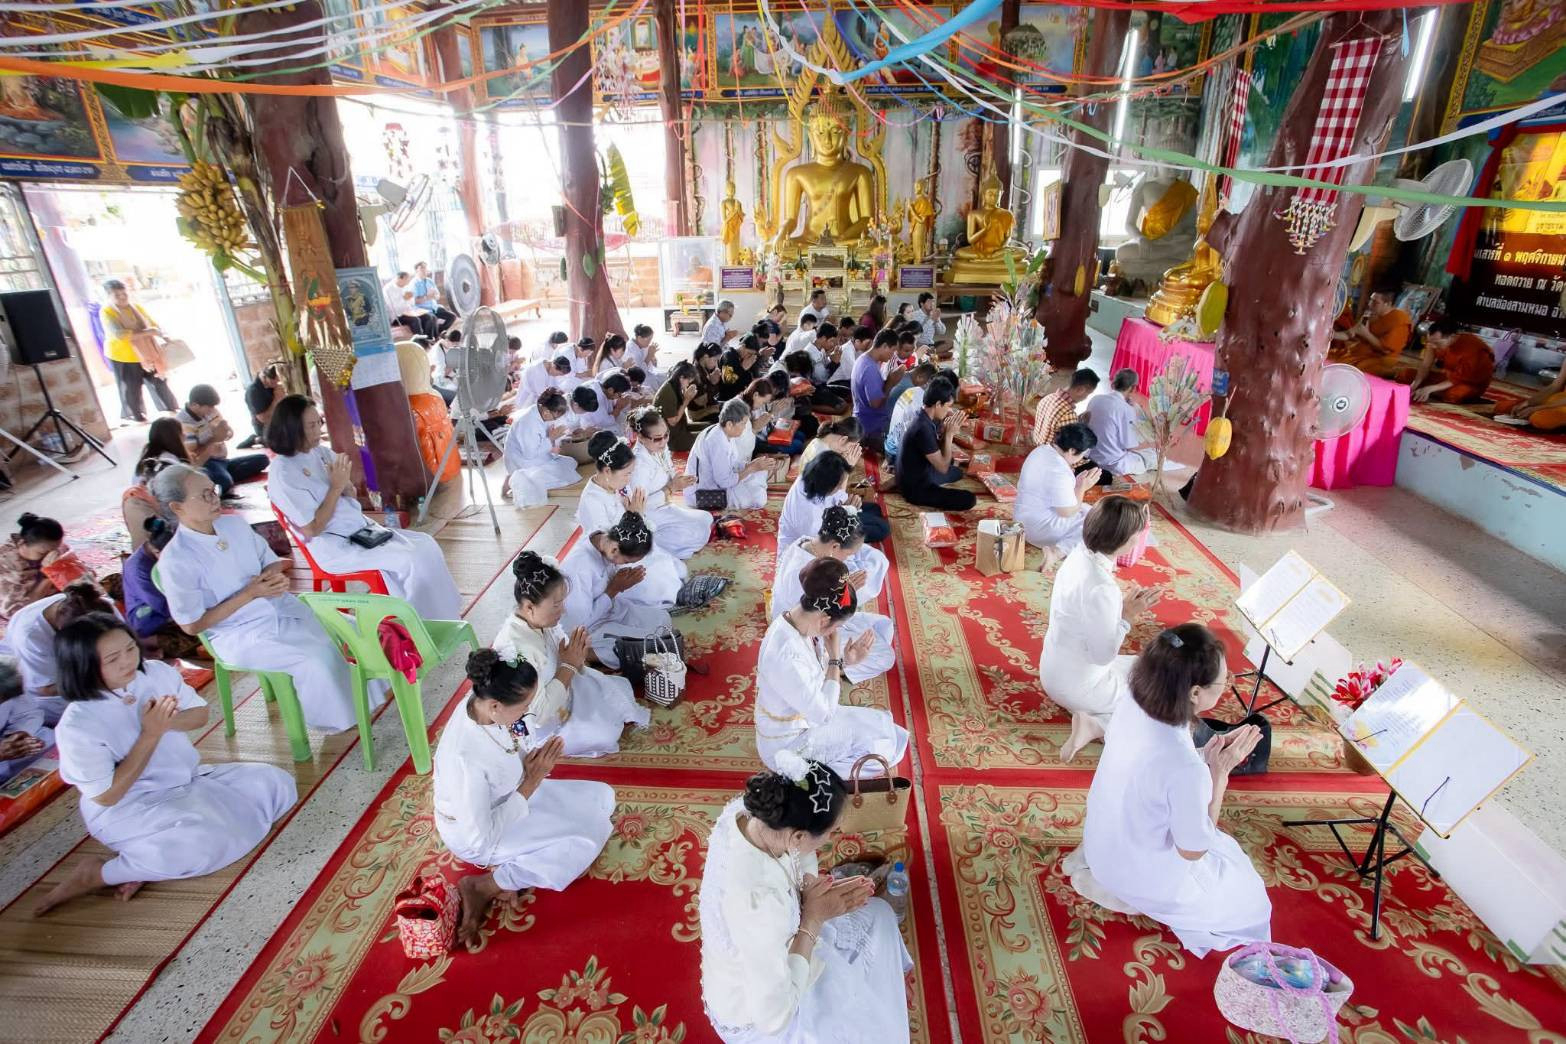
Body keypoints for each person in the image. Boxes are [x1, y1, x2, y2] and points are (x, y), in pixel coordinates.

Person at [34, 612, 296, 916]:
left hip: (187, 781)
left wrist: (167, 722)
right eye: (113, 658)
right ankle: (98, 874)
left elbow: (199, 714)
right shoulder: (78, 724)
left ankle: (146, 863)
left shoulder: (155, 673)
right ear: (84, 667)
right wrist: (150, 734)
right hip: (129, 807)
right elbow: (107, 796)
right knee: (209, 842)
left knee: (276, 783)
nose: (127, 662)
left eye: (130, 649)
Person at [1077, 623, 1271, 957]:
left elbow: (1152, 770)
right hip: (1137, 874)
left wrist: (1204, 761)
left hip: (1100, 847)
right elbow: (1193, 850)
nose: (1225, 689)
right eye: (1223, 683)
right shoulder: (1187, 769)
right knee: (1254, 904)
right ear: (1195, 693)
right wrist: (1218, 773)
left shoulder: (1132, 703)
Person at [699, 759, 911, 1042]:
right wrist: (813, 917)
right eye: (830, 833)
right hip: (760, 1008)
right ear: (798, 836)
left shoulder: (754, 814)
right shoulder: (758, 903)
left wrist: (812, 890)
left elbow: (800, 858)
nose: (831, 839)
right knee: (878, 1031)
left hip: (782, 933)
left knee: (880, 915)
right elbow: (773, 1017)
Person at [152, 464, 358, 732]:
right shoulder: (177, 559)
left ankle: (366, 697)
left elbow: (271, 563)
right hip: (237, 633)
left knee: (348, 630)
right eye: (204, 495)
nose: (215, 498)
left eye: (213, 490)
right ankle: (338, 723)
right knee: (314, 658)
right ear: (177, 507)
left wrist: (273, 579)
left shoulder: (233, 525)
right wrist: (250, 594)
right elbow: (192, 625)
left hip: (275, 605)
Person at [433, 649, 614, 951]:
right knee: (583, 843)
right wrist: (530, 781)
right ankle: (485, 885)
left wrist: (528, 765)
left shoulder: (480, 706)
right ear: (494, 706)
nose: (527, 711)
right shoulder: (465, 760)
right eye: (524, 706)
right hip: (479, 835)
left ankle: (521, 864)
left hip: (511, 794)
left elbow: (514, 736)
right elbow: (481, 837)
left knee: (601, 798)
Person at [265, 396, 461, 621]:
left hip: (360, 530)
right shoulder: (283, 473)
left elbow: (348, 494)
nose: (319, 429)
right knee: (410, 560)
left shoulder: (319, 452)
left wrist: (345, 484)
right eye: (311, 426)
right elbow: (311, 529)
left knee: (426, 545)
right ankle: (417, 624)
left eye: (318, 422)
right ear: (292, 429)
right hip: (335, 546)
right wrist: (336, 487)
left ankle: (444, 615)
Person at [755, 558, 908, 776]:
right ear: (824, 620)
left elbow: (812, 672)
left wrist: (847, 661)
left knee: (882, 726)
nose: (834, 633)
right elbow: (823, 715)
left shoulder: (791, 620)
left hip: (801, 720)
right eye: (837, 627)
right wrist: (836, 658)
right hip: (786, 746)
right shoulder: (787, 655)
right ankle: (801, 776)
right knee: (881, 750)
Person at [492, 551, 649, 756]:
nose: (563, 611)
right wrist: (569, 665)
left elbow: (561, 654)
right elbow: (537, 715)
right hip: (541, 724)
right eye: (556, 605)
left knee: (614, 691)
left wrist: (575, 653)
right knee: (605, 732)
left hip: (561, 688)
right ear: (530, 607)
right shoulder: (517, 651)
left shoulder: (537, 622)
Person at [1040, 497, 1162, 761]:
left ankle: (1095, 720)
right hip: (1079, 686)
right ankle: (1096, 726)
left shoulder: (1079, 553)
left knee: (1151, 668)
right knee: (1156, 704)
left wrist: (1119, 611)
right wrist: (1127, 616)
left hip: (1053, 671)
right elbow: (1102, 656)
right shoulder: (1103, 588)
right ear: (1126, 541)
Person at [773, 506, 894, 685]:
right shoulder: (803, 571)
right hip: (802, 630)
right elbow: (810, 615)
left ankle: (840, 660)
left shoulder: (805, 542)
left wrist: (842, 588)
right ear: (835, 546)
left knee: (882, 625)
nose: (847, 558)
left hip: (810, 617)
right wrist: (846, 590)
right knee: (886, 656)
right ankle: (836, 667)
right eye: (848, 554)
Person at [578, 433, 683, 607]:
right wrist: (634, 515)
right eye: (627, 474)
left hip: (629, 544)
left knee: (671, 566)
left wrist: (635, 515)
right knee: (658, 580)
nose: (629, 479)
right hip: (615, 559)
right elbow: (609, 546)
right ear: (607, 471)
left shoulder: (616, 486)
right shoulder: (592, 501)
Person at [559, 510, 673, 669]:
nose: (622, 564)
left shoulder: (604, 539)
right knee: (651, 644)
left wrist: (622, 582)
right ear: (614, 550)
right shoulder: (578, 567)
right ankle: (589, 653)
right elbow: (578, 624)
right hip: (587, 629)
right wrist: (614, 588)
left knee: (663, 619)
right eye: (625, 561)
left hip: (609, 610)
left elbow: (605, 584)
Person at [1, 581, 117, 728]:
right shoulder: (29, 636)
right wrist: (102, 679)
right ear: (63, 632)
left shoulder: (98, 606)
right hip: (52, 694)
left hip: (89, 673)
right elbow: (46, 688)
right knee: (102, 716)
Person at [778, 451, 890, 592]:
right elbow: (825, 538)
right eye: (838, 485)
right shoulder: (808, 517)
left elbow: (831, 503)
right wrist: (849, 511)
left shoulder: (810, 479)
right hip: (814, 548)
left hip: (824, 535)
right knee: (880, 534)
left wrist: (847, 506)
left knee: (874, 510)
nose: (839, 488)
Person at [627, 407, 712, 559]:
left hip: (664, 507)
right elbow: (640, 506)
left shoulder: (660, 446)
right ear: (641, 437)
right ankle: (646, 545)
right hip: (648, 516)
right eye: (658, 438)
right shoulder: (639, 464)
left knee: (706, 518)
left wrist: (682, 480)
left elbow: (669, 469)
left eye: (666, 435)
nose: (664, 441)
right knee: (695, 534)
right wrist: (671, 488)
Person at [123, 518, 207, 663]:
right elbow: (164, 606)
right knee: (201, 635)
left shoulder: (169, 555)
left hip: (174, 607)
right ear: (156, 551)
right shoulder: (138, 569)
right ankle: (146, 642)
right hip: (151, 620)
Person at [1016, 423, 1100, 563]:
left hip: (1022, 520)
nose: (1083, 459)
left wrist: (1078, 485)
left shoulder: (1041, 450)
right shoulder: (1059, 471)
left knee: (1089, 510)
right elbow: (1067, 512)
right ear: (1072, 450)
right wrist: (1081, 488)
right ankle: (1057, 552)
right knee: (1097, 523)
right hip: (1039, 530)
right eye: (1083, 454)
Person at [893, 377, 977, 511]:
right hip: (915, 489)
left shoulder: (923, 417)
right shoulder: (923, 428)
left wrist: (944, 432)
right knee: (969, 499)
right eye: (948, 406)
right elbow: (942, 468)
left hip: (912, 476)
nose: (949, 411)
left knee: (956, 472)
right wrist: (949, 436)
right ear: (938, 404)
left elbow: (934, 450)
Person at [100, 279, 178, 421]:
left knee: (159, 380)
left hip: (148, 353)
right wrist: (148, 332)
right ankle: (136, 415)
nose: (123, 297)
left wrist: (163, 335)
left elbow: (153, 324)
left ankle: (171, 407)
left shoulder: (136, 308)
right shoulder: (107, 312)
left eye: (124, 294)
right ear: (108, 296)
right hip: (124, 356)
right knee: (132, 387)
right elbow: (120, 334)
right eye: (117, 295)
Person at [178, 384, 270, 497]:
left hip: (222, 461)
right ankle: (219, 477)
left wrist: (227, 432)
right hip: (207, 463)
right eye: (209, 407)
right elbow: (195, 457)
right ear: (195, 405)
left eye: (213, 407)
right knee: (224, 482)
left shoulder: (211, 410)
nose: (212, 410)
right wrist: (214, 439)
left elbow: (226, 429)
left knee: (263, 459)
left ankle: (222, 475)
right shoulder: (183, 423)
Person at [685, 399, 773, 511]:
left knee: (760, 471)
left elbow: (732, 462)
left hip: (718, 481)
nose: (745, 428)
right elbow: (724, 482)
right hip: (706, 492)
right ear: (730, 424)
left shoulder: (722, 432)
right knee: (759, 498)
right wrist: (751, 468)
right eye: (743, 424)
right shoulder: (717, 442)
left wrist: (753, 465)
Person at [503, 389, 582, 508]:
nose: (554, 420)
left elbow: (547, 439)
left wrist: (557, 436)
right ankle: (516, 480)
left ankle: (520, 479)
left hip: (538, 457)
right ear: (546, 412)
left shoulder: (541, 414)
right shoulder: (528, 422)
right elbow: (529, 454)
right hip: (522, 461)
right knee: (565, 474)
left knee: (571, 462)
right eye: (554, 417)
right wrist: (551, 438)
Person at [1405, 318, 1495, 404]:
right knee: (1406, 375)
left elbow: (1458, 379)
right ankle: (1429, 390)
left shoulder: (1470, 348)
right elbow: (1425, 365)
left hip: (1469, 383)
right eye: (1429, 342)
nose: (1432, 346)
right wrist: (1415, 384)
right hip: (1448, 378)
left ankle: (1430, 391)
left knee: (1452, 395)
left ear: (1452, 337)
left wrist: (1430, 388)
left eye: (1437, 343)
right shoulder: (1433, 342)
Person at [1084, 368, 1152, 478]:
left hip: (1091, 457)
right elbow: (1130, 445)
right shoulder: (1127, 410)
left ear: (1113, 384)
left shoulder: (1095, 399)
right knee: (1152, 456)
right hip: (1113, 464)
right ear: (1133, 388)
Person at [0, 513, 66, 625]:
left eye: (55, 549)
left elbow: (84, 577)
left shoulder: (52, 548)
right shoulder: (7, 566)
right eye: (42, 553)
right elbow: (18, 612)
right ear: (22, 543)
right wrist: (49, 575)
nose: (50, 556)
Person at [1328, 289, 1410, 378]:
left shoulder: (1399, 319)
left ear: (1388, 304)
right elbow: (1350, 334)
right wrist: (1332, 334)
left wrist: (1366, 334)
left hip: (1381, 359)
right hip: (1358, 353)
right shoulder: (1369, 315)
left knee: (1356, 370)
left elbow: (1385, 349)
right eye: (1370, 300)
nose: (1370, 304)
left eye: (1375, 302)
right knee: (1328, 357)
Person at [851, 330, 908, 448]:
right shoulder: (869, 368)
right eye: (892, 350)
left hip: (865, 418)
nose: (893, 355)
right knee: (908, 449)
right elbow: (876, 404)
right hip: (870, 427)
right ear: (884, 346)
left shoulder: (866, 359)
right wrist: (891, 382)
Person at [0, 657, 50, 784]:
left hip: (7, 747)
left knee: (54, 743)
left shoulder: (7, 682)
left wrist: (19, 734)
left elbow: (29, 713)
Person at [883, 362, 938, 463]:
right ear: (921, 378)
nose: (928, 388)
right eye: (927, 384)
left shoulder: (906, 378)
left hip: (890, 435)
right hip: (892, 440)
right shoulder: (912, 390)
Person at [654, 360, 714, 452]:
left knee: (711, 428)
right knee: (710, 438)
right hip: (672, 439)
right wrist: (687, 400)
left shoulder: (675, 386)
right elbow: (673, 422)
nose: (689, 383)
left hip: (681, 429)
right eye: (689, 380)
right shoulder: (668, 392)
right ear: (681, 378)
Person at [1032, 368, 1100, 448]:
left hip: (1037, 443)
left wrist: (1077, 419)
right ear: (1080, 390)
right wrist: (1083, 425)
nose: (1085, 398)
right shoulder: (1068, 414)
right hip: (1049, 453)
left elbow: (1055, 423)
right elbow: (1070, 447)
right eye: (1088, 394)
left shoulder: (1048, 397)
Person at [1500, 365, 1566, 432]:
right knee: (1506, 407)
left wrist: (1539, 407)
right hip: (1558, 399)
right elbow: (1555, 386)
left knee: (1539, 418)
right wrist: (1528, 403)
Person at [241, 362, 284, 448]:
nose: (277, 382)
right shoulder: (253, 392)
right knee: (281, 442)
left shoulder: (272, 386)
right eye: (274, 380)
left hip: (277, 420)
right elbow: (263, 419)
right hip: (263, 426)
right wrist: (276, 399)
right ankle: (256, 439)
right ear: (264, 377)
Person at [383, 270, 436, 339]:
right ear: (400, 278)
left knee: (429, 317)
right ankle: (420, 342)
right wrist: (404, 299)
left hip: (410, 312)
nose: (409, 282)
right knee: (415, 320)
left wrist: (410, 299)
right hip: (397, 316)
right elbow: (394, 308)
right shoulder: (388, 289)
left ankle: (429, 339)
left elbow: (411, 303)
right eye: (407, 279)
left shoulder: (406, 286)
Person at [410, 261, 456, 335]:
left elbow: (437, 296)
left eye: (425, 267)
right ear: (416, 270)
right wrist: (427, 297)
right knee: (432, 318)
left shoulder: (430, 281)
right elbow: (414, 301)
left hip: (434, 308)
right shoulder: (414, 283)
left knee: (452, 317)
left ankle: (438, 332)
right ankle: (430, 339)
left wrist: (435, 296)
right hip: (423, 310)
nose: (424, 270)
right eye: (422, 268)